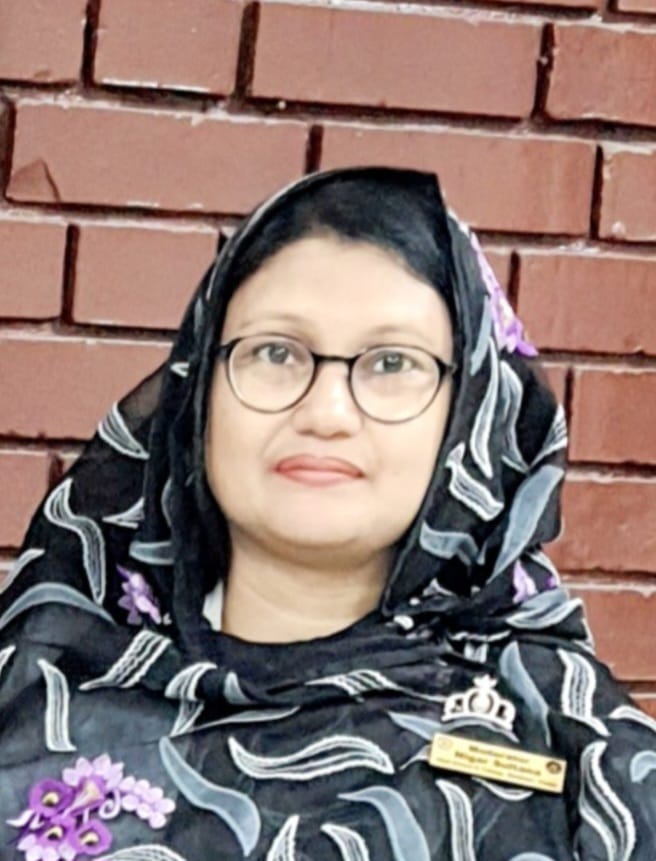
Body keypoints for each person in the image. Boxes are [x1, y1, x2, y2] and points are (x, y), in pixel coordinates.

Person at [0, 166, 654, 860]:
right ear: (198, 393)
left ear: (471, 414)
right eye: (275, 352)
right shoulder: (41, 685)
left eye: (392, 363)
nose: (326, 411)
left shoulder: (580, 758)